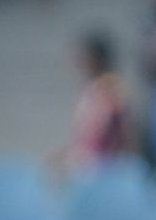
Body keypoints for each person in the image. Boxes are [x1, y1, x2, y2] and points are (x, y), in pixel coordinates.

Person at [54, 31, 132, 176]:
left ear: (96, 57)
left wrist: (81, 157)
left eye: (84, 55)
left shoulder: (110, 86)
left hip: (105, 166)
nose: (79, 61)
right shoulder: (90, 88)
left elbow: (111, 131)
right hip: (89, 163)